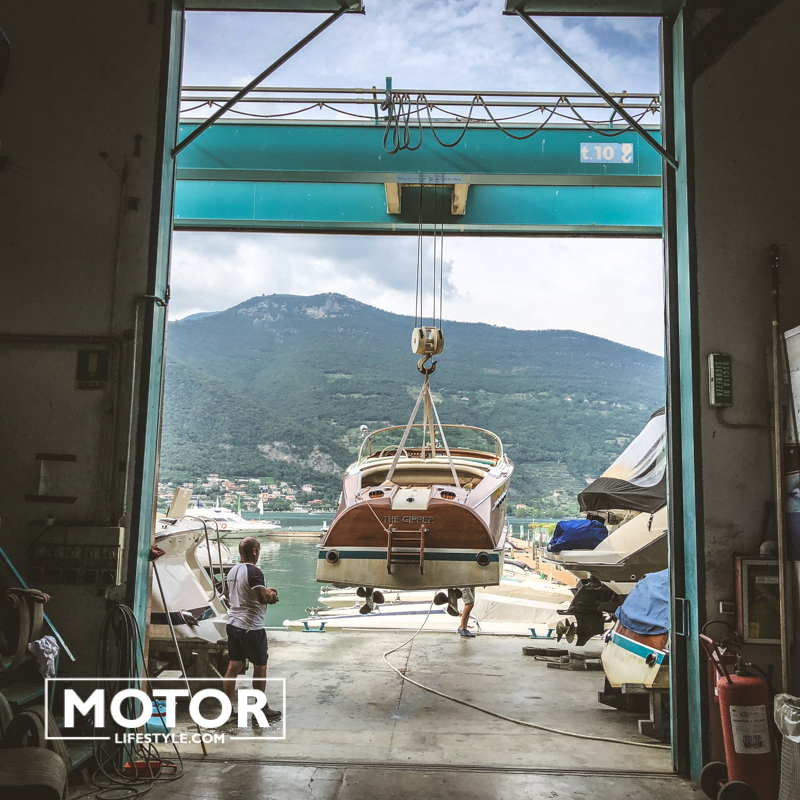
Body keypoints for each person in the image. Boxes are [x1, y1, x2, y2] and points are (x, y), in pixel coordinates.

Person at [223, 536, 281, 723]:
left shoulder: (232, 571)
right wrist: (272, 595)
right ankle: (260, 709)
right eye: (259, 550)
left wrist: (265, 592)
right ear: (255, 551)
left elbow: (236, 594)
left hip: (233, 624)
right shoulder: (255, 571)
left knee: (233, 666)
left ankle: (227, 710)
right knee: (260, 667)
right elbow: (261, 598)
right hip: (251, 627)